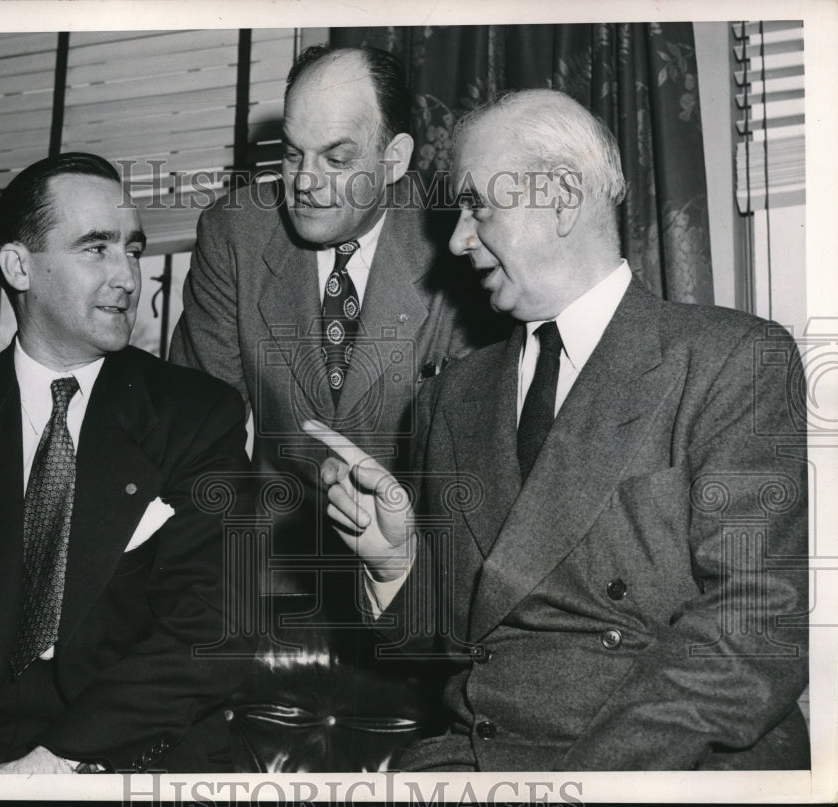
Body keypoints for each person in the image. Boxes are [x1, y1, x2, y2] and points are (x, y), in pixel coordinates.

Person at [306, 88, 810, 770]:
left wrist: (587, 783)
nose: (456, 239)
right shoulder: (455, 392)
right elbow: (455, 642)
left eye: (478, 204)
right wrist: (396, 561)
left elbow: (754, 626)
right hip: (478, 761)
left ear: (563, 198)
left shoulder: (731, 360)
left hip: (667, 762)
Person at [0, 153, 253, 774]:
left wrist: (51, 764)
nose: (128, 277)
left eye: (132, 249)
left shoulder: (197, 415)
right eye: (95, 248)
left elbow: (213, 630)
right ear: (20, 267)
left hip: (132, 752)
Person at [170, 45, 495, 597]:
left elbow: (480, 452)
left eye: (337, 160)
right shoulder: (235, 234)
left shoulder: (460, 238)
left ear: (393, 160)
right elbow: (198, 433)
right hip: (267, 573)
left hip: (425, 575)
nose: (305, 183)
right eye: (293, 154)